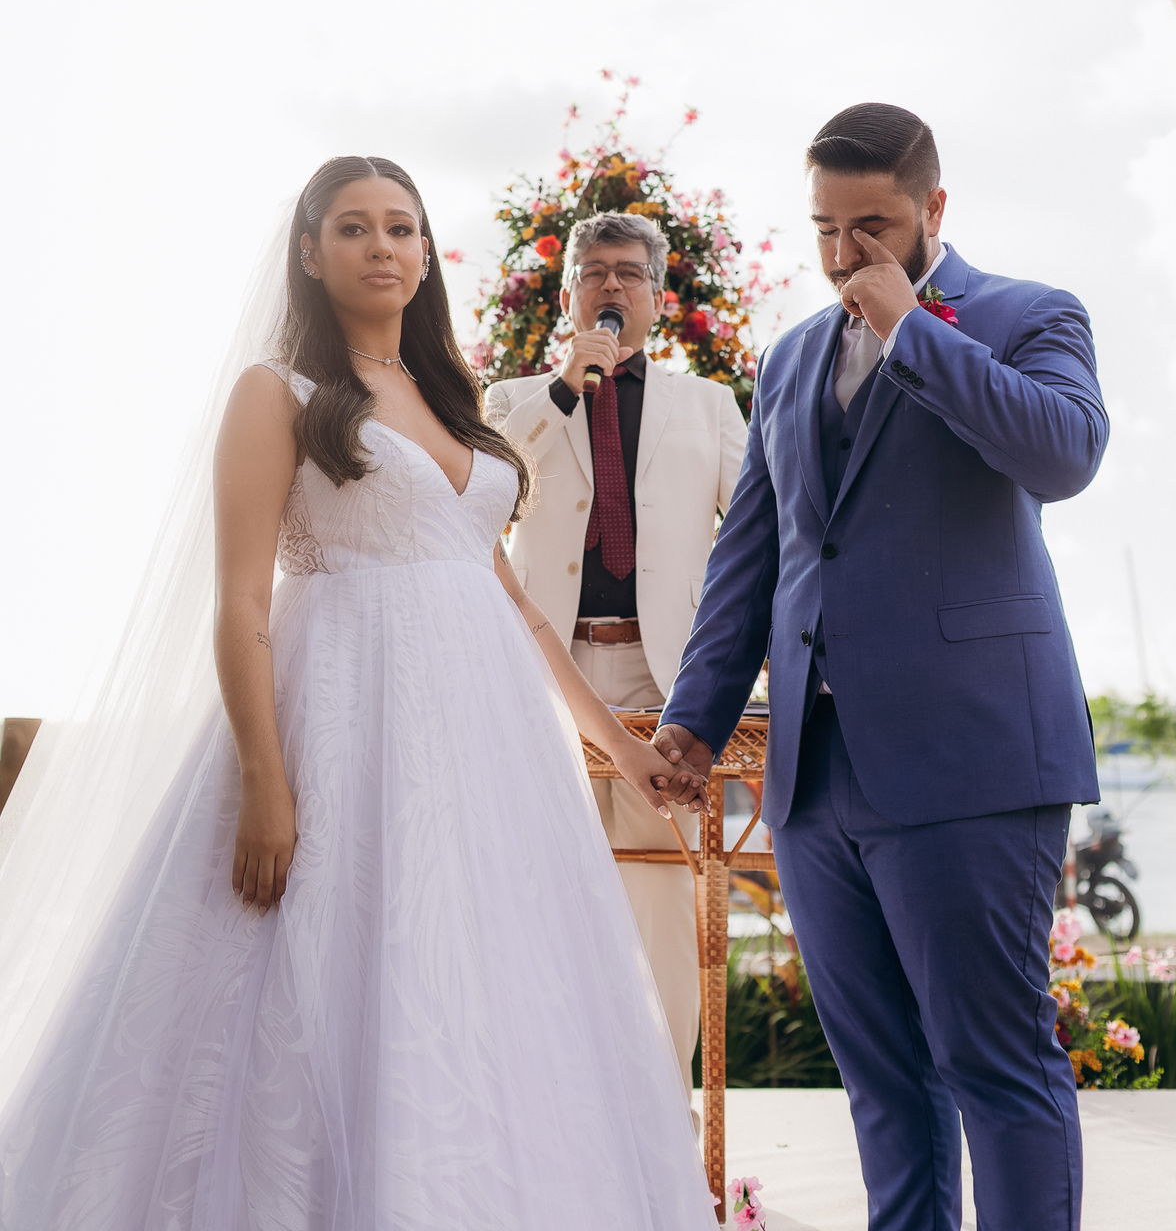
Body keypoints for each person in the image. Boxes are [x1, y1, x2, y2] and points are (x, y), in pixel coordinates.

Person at [0, 156, 717, 1231]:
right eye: (353, 227)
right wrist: (264, 779)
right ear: (308, 251)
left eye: (401, 227)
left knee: (487, 990)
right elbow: (242, 599)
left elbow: (518, 610)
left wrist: (620, 749)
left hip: (484, 755)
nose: (382, 245)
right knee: (313, 989)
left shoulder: (453, 395)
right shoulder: (276, 392)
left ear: (426, 254)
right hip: (337, 727)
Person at [654, 103, 1107, 1231]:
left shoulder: (1030, 315)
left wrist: (915, 332)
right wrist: (695, 720)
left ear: (932, 208)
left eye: (873, 226)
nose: (845, 252)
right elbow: (754, 555)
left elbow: (1063, 454)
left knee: (995, 1066)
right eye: (825, 227)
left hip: (972, 762)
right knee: (883, 1088)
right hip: (815, 779)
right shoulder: (789, 358)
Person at [485, 210, 747, 1092]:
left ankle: (663, 1107)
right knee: (533, 886)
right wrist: (564, 388)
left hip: (662, 675)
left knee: (662, 895)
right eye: (593, 272)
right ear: (568, 296)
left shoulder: (708, 406)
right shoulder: (512, 401)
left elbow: (757, 532)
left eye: (629, 273)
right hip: (539, 667)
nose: (611, 286)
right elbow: (479, 494)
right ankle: (546, 1101)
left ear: (658, 298)